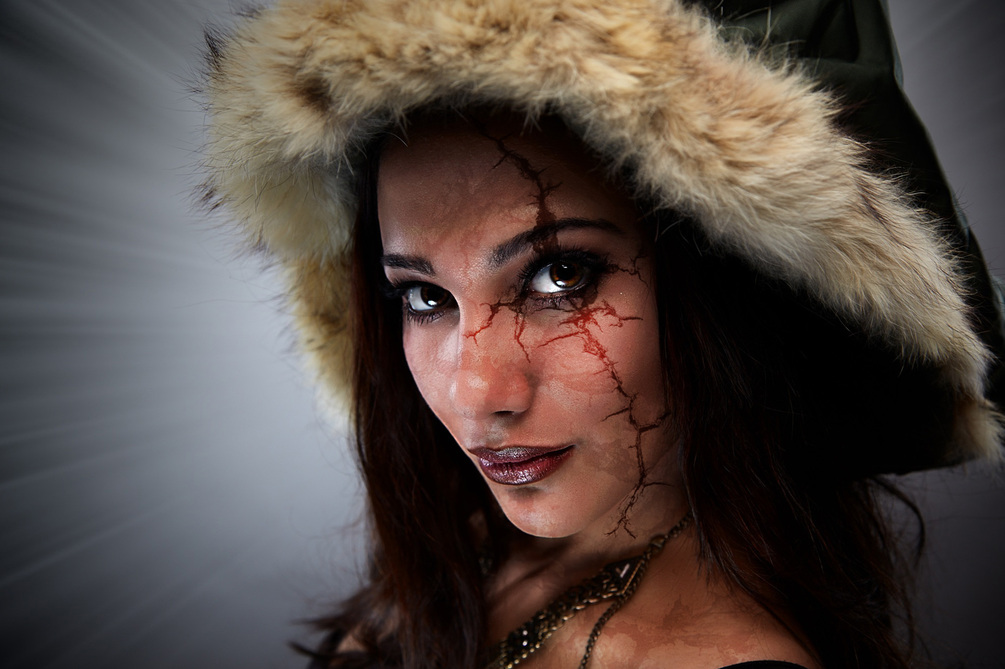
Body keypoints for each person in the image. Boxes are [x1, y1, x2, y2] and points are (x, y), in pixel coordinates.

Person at [199, 0, 1005, 667]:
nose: (475, 394)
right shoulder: (469, 543)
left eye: (559, 276)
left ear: (721, 282)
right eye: (424, 296)